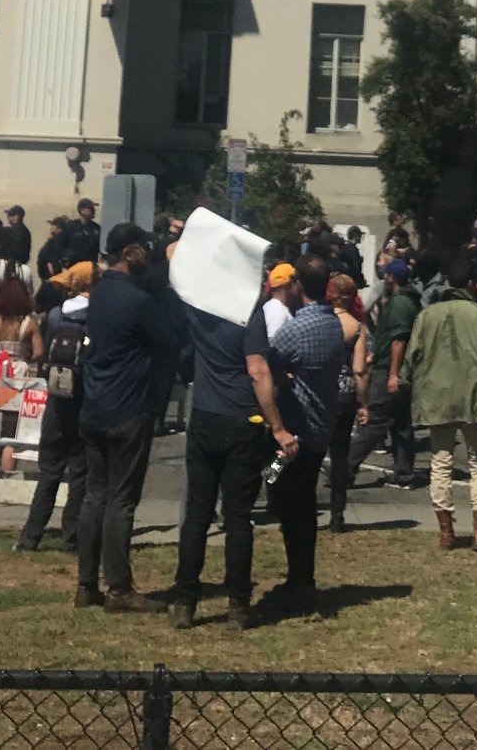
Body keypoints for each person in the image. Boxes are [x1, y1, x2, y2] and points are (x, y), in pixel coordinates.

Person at [165, 287, 292, 629]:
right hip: (241, 419)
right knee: (237, 516)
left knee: (197, 513)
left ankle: (185, 600)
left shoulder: (202, 305)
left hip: (205, 415)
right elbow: (257, 369)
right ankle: (237, 602)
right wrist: (277, 425)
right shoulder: (249, 312)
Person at [75, 225, 181, 610]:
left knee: (94, 496)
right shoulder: (138, 301)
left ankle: (86, 584)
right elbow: (170, 338)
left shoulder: (100, 292)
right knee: (121, 500)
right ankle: (118, 588)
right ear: (130, 252)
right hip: (127, 407)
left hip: (95, 405)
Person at [406, 255, 477, 552]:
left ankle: (446, 532)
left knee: (440, 461)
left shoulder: (427, 315)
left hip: (436, 395)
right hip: (474, 394)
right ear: (471, 282)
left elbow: (413, 356)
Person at [263, 260, 346, 606]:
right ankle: (302, 574)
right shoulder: (332, 325)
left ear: (298, 285)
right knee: (302, 500)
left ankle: (299, 575)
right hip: (320, 426)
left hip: (295, 427)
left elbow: (265, 362)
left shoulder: (298, 327)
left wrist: (280, 375)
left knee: (288, 498)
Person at [17, 264, 93, 552]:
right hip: (83, 400)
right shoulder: (95, 316)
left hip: (56, 399)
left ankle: (30, 536)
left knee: (49, 472)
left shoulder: (56, 314)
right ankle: (71, 536)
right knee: (79, 474)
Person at [0, 275, 44, 502]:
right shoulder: (28, 323)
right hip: (17, 377)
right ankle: (5, 487)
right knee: (11, 437)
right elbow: (39, 352)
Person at [354, 260, 420, 488]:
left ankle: (346, 467)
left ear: (391, 277)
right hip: (388, 365)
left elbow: (399, 340)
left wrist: (393, 373)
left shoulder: (400, 303)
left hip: (388, 370)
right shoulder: (402, 300)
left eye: (386, 276)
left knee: (375, 419)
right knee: (401, 423)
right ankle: (403, 472)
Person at [322, 274, 370, 533]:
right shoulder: (357, 327)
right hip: (345, 395)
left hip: (319, 392)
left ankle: (293, 506)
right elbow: (359, 369)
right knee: (339, 456)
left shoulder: (320, 321)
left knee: (308, 454)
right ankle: (337, 515)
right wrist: (364, 403)